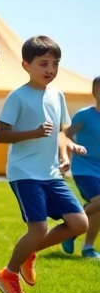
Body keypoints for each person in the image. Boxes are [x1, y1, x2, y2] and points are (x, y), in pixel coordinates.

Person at [0, 36, 89, 293]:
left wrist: (66, 151)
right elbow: (1, 135)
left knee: (79, 223)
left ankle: (28, 253)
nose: (50, 69)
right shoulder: (17, 97)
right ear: (26, 65)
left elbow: (59, 132)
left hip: (51, 173)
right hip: (25, 173)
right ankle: (7, 274)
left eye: (55, 63)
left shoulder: (58, 96)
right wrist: (33, 133)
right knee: (38, 228)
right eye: (43, 63)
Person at [62, 77, 100, 258]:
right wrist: (72, 148)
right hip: (84, 168)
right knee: (99, 202)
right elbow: (65, 135)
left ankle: (87, 248)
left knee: (98, 207)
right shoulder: (84, 115)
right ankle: (71, 227)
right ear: (95, 92)